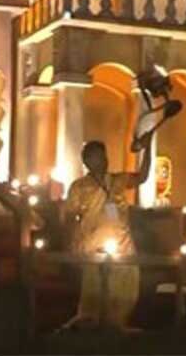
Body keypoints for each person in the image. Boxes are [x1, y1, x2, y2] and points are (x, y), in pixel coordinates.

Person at [61, 135, 153, 330]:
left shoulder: (118, 180)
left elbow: (142, 177)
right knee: (93, 296)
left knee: (125, 290)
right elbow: (69, 217)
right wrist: (72, 243)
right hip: (93, 247)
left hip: (122, 247)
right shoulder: (79, 187)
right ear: (86, 161)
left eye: (104, 156)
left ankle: (118, 326)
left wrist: (148, 148)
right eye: (97, 157)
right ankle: (91, 329)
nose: (103, 161)